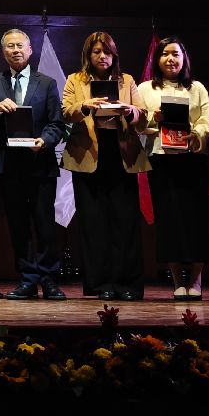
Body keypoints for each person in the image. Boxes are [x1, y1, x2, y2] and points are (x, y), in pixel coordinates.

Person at [0, 28, 68, 301]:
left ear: (30, 50)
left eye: (20, 45)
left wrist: (44, 140)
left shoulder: (47, 83)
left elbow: (57, 123)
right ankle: (27, 280)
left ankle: (50, 281)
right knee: (18, 226)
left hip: (40, 163)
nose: (16, 50)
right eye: (10, 46)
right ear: (3, 51)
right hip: (9, 165)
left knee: (44, 225)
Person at [62, 31, 148, 302]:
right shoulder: (75, 79)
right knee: (93, 223)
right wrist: (85, 105)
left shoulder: (127, 80)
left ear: (114, 55)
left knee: (126, 222)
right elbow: (66, 112)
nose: (102, 57)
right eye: (97, 52)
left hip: (121, 155)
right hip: (88, 155)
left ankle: (128, 284)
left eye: (107, 52)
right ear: (88, 55)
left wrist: (130, 111)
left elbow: (143, 116)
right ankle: (100, 285)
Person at [138, 35, 209, 300]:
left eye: (175, 54)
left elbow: (206, 120)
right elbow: (138, 125)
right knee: (168, 220)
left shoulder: (197, 88)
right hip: (161, 159)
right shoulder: (145, 89)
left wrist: (197, 134)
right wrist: (153, 118)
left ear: (184, 59)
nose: (170, 59)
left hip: (192, 159)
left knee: (195, 220)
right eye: (165, 54)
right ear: (157, 59)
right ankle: (177, 281)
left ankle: (196, 280)